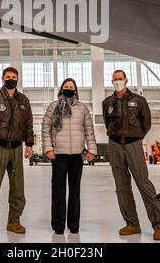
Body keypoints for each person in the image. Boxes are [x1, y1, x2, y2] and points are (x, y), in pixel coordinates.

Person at [102, 69, 160, 240]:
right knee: (122, 187)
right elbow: (107, 122)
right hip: (115, 145)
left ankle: (158, 225)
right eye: (115, 79)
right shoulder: (107, 102)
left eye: (120, 79)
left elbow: (146, 124)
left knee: (144, 183)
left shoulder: (139, 101)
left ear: (126, 80)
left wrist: (135, 138)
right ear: (112, 81)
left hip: (133, 145)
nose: (118, 81)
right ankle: (132, 224)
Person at [0, 66, 34, 236]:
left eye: (14, 76)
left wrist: (30, 145)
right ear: (3, 78)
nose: (11, 79)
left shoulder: (24, 101)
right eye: (8, 76)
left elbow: (28, 125)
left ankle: (14, 221)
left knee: (18, 186)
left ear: (18, 79)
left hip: (17, 148)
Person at [42, 78, 97, 235]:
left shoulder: (82, 108)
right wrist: (48, 148)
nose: (68, 89)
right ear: (61, 89)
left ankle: (74, 224)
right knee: (58, 190)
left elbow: (89, 130)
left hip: (77, 155)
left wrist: (91, 149)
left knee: (75, 190)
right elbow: (46, 128)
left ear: (76, 90)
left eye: (71, 87)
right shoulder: (53, 107)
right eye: (66, 87)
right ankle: (58, 225)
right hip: (58, 154)